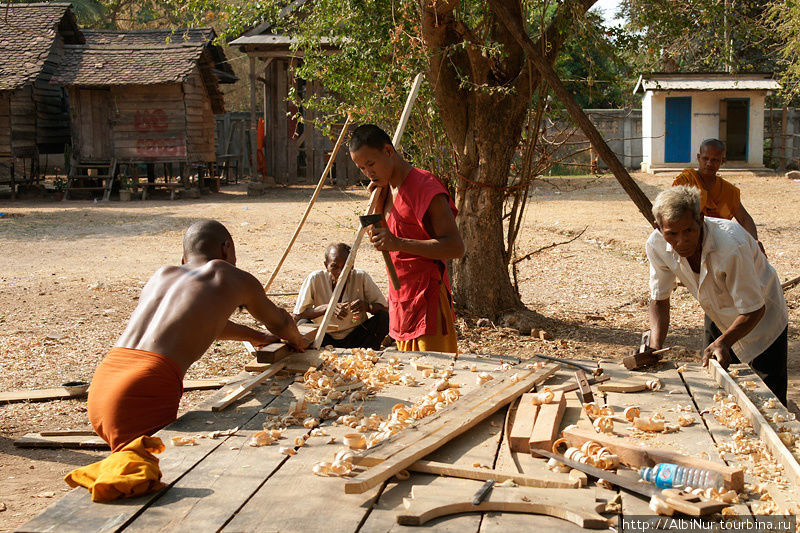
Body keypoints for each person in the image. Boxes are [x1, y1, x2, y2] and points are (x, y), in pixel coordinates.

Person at [88, 219, 308, 452]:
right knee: (150, 477)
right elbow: (282, 322)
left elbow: (209, 325)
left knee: (134, 468)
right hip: (143, 390)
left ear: (184, 257)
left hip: (104, 382)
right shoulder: (227, 274)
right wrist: (299, 341)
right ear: (227, 248)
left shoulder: (162, 275)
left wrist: (256, 336)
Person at [645, 186, 788, 404]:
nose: (681, 242)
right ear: (658, 228)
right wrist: (655, 348)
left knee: (770, 396)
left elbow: (755, 308)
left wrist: (724, 341)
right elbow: (659, 299)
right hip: (716, 307)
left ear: (700, 219)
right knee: (716, 382)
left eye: (688, 231)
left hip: (762, 316)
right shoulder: (656, 245)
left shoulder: (731, 245)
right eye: (671, 234)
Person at [349, 124, 465, 353]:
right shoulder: (382, 191)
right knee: (409, 379)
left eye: (371, 164)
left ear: (388, 152)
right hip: (401, 299)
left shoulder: (424, 186)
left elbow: (455, 247)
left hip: (427, 299)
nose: (368, 173)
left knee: (436, 376)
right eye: (361, 168)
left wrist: (398, 243)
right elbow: (390, 240)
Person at [672, 138, 765, 349]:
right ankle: (713, 347)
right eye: (705, 158)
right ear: (698, 157)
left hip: (722, 249)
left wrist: (754, 241)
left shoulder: (728, 191)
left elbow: (744, 218)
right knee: (711, 300)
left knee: (731, 296)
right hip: (694, 250)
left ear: (722, 161)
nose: (709, 164)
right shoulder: (685, 181)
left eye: (715, 160)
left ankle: (732, 344)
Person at [292, 242, 389, 350]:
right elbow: (298, 316)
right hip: (323, 337)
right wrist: (328, 308)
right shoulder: (315, 279)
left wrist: (367, 307)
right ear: (326, 266)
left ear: (352, 266)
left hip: (356, 336)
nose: (340, 272)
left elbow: (384, 308)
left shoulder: (361, 277)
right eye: (334, 267)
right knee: (303, 324)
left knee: (384, 318)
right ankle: (316, 352)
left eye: (345, 267)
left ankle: (366, 352)